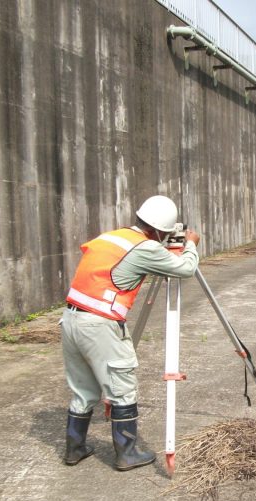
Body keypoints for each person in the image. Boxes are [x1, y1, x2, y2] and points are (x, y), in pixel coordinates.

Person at [61, 195, 201, 471]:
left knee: (83, 389)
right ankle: (127, 454)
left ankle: (74, 449)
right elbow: (186, 269)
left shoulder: (111, 237)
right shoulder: (146, 248)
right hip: (100, 325)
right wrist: (191, 246)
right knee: (122, 389)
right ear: (161, 230)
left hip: (71, 320)